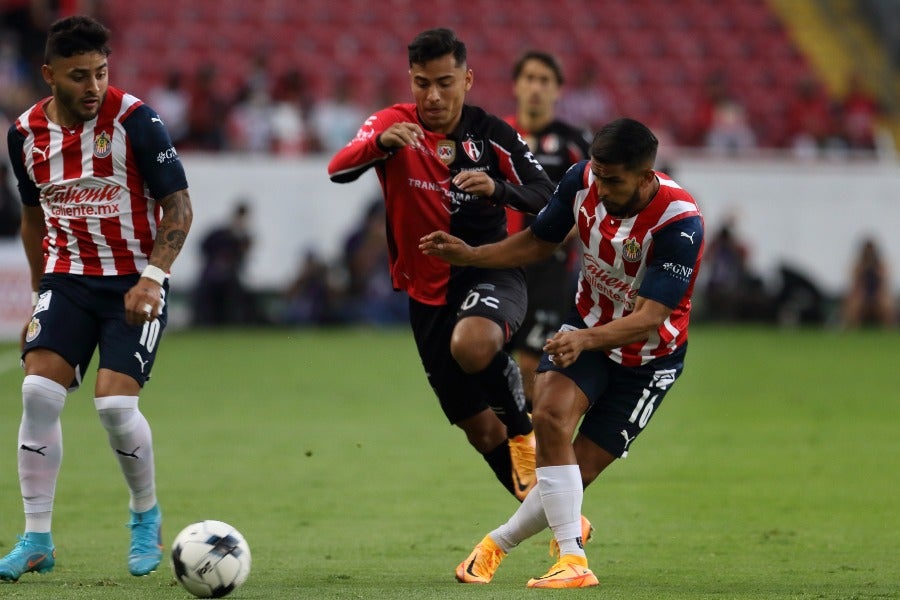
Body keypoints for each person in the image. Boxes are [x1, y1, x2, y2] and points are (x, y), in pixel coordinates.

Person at [420, 118, 705, 588]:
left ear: (645, 175)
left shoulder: (680, 223)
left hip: (648, 359)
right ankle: (573, 561)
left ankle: (496, 544)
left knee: (577, 468)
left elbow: (652, 315)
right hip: (589, 327)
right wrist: (471, 255)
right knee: (548, 415)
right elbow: (537, 240)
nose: (601, 185)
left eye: (613, 180)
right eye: (598, 172)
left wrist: (583, 339)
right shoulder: (582, 179)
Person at [1, 15, 193, 581]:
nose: (92, 87)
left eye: (101, 73)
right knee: (37, 392)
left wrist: (153, 279)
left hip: (135, 281)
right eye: (79, 75)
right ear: (49, 75)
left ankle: (144, 515)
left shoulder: (137, 121)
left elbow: (179, 208)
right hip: (67, 280)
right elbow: (33, 218)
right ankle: (37, 538)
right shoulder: (24, 135)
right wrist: (40, 295)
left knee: (113, 406)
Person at [328, 28, 556, 502]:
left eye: (445, 82)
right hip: (425, 294)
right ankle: (559, 520)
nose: (432, 95)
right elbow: (339, 168)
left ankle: (523, 429)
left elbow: (547, 195)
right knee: (479, 433)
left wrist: (498, 189)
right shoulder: (391, 125)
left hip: (489, 270)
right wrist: (382, 145)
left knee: (473, 343)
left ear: (467, 80)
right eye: (421, 82)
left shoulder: (492, 133)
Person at [504, 50, 591, 408]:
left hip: (550, 269)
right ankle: (518, 441)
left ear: (558, 90)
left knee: (530, 363)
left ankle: (530, 447)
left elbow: (594, 200)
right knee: (487, 361)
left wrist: (558, 233)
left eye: (545, 80)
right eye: (529, 79)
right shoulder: (498, 136)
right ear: (516, 86)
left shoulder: (575, 142)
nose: (536, 88)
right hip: (500, 264)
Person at [192, 201, 256, 326]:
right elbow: (203, 248)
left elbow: (242, 259)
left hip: (229, 280)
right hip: (212, 278)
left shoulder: (242, 238)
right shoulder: (219, 234)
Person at [841, 237, 895, 328]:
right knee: (853, 303)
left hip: (877, 296)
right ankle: (851, 328)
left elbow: (884, 283)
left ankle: (889, 328)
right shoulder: (858, 266)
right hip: (862, 296)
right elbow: (855, 284)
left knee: (886, 303)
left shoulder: (880, 266)